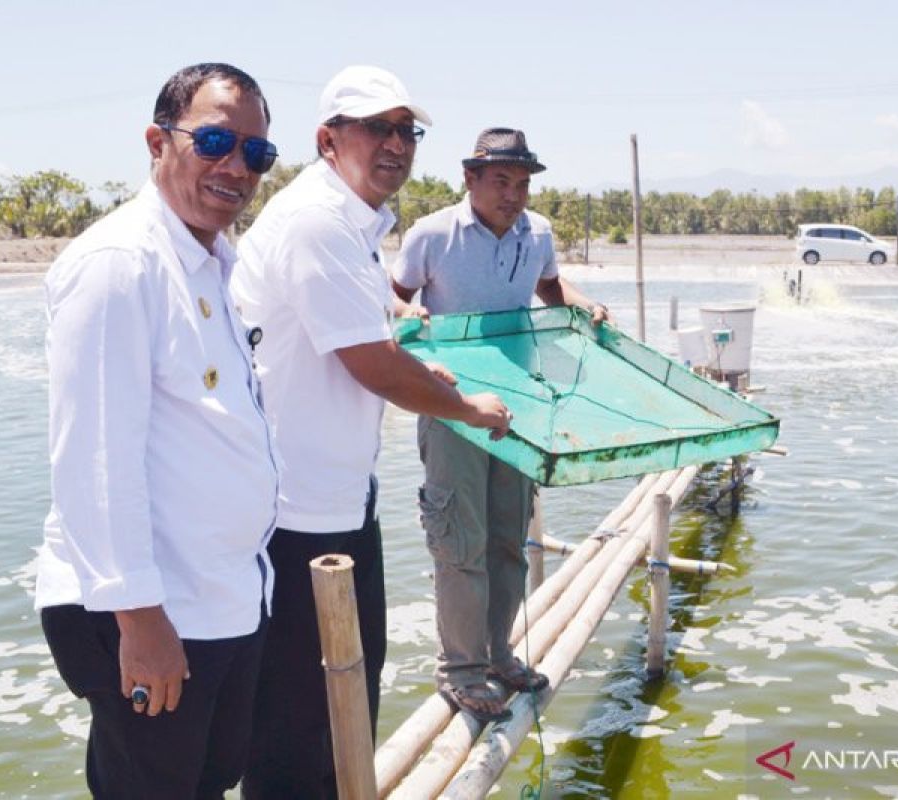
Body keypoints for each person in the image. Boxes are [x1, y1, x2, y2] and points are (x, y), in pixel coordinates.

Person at [230, 66, 511, 798]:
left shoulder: (353, 221)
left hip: (336, 500)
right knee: (299, 726)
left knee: (338, 704)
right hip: (295, 515)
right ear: (329, 139)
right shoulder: (319, 220)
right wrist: (470, 410)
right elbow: (370, 366)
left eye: (406, 130)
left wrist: (419, 366)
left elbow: (367, 343)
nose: (395, 144)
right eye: (375, 128)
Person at [35, 63, 280, 798]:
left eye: (256, 153)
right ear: (156, 141)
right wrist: (141, 624)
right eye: (213, 140)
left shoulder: (212, 262)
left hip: (222, 598)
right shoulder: (119, 265)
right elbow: (93, 461)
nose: (235, 166)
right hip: (148, 613)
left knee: (207, 785)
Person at [391, 128, 609, 722]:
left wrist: (581, 302)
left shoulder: (536, 232)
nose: (513, 195)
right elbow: (392, 294)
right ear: (470, 178)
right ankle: (460, 670)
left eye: (522, 184)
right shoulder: (432, 233)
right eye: (501, 182)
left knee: (508, 537)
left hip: (519, 407)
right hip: (452, 406)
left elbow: (548, 286)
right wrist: (409, 313)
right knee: (461, 539)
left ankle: (498, 654)